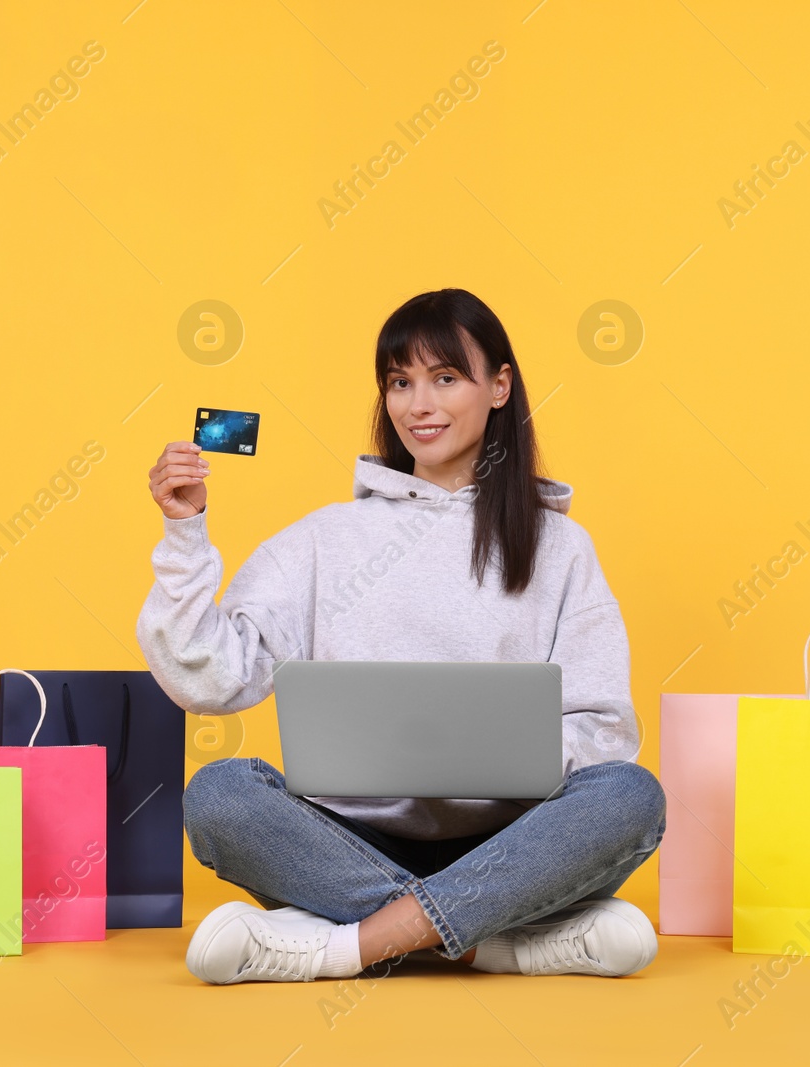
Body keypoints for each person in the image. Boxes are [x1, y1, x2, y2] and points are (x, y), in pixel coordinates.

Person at [137, 288, 666, 985]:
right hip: (344, 842)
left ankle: (345, 945)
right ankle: (493, 939)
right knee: (220, 795)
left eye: (446, 377)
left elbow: (606, 733)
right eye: (400, 381)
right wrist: (184, 532)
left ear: (499, 386)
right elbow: (207, 676)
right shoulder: (325, 540)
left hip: (517, 843)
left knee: (632, 796)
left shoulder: (561, 547)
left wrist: (505, 754)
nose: (419, 404)